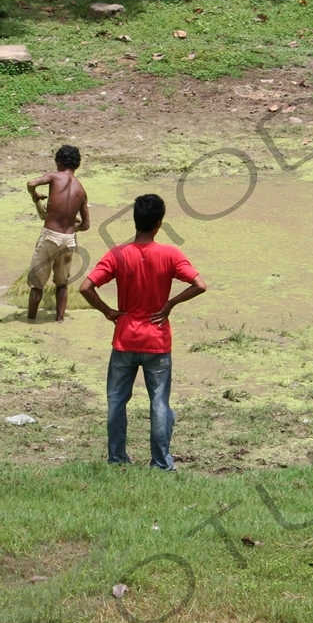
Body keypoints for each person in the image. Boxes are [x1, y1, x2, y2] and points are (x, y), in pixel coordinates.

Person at [79, 193, 207, 470]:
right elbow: (200, 284)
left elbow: (85, 288)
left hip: (124, 340)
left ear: (135, 221)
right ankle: (161, 462)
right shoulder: (171, 254)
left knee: (116, 401)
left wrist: (108, 311)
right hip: (158, 341)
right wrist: (170, 303)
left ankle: (116, 458)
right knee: (159, 402)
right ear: (159, 223)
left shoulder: (117, 254)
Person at [25, 144, 90, 321]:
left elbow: (31, 183)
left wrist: (35, 194)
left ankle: (31, 319)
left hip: (49, 237)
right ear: (76, 165)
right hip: (68, 240)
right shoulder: (81, 190)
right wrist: (71, 226)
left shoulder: (55, 176)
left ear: (59, 162)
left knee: (37, 285)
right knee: (62, 284)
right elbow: (85, 225)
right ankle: (60, 319)